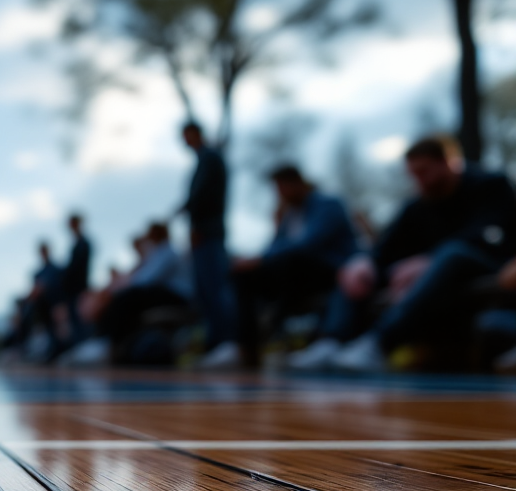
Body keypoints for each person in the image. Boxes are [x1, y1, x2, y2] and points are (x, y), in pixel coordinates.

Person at [292, 136, 516, 372]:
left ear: (449, 162)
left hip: (490, 266)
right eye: (413, 174)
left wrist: (427, 260)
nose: (419, 180)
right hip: (436, 271)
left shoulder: (491, 186)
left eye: (424, 171)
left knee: (452, 254)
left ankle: (379, 343)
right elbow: (387, 248)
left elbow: (488, 235)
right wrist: (366, 262)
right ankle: (330, 341)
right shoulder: (418, 204)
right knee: (356, 267)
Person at [206, 166, 358, 369]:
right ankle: (244, 348)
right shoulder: (289, 214)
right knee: (242, 274)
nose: (280, 193)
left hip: (332, 271)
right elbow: (274, 247)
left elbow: (308, 243)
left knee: (289, 262)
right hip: (294, 272)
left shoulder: (328, 205)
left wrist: (262, 259)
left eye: (282, 187)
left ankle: (291, 335)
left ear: (297, 183)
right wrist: (253, 261)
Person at [178, 122, 237, 367]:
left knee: (215, 289)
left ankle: (227, 343)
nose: (185, 141)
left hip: (208, 234)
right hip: (204, 234)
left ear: (197, 134)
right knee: (205, 291)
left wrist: (197, 226)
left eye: (188, 136)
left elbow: (204, 197)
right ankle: (215, 343)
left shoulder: (210, 158)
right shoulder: (206, 159)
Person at [92, 223, 193, 356]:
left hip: (178, 296)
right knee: (125, 298)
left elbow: (144, 280)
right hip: (169, 294)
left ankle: (110, 344)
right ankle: (109, 342)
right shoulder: (160, 252)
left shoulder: (167, 252)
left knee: (127, 298)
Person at [61, 214, 93, 346]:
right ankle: (80, 347)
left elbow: (78, 268)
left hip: (79, 288)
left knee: (80, 320)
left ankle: (84, 347)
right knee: (75, 321)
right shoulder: (78, 243)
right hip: (74, 288)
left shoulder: (83, 243)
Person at [29, 241, 64, 357]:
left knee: (58, 332)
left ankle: (57, 350)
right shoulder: (38, 273)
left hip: (56, 306)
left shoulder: (56, 270)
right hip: (43, 309)